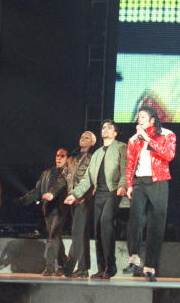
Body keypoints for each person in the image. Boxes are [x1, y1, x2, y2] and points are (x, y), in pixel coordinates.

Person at [64, 120, 127, 280]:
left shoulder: (121, 147)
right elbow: (88, 178)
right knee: (98, 230)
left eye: (109, 128)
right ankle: (101, 268)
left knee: (106, 223)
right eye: (103, 127)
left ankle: (110, 267)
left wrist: (123, 185)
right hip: (98, 194)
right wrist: (75, 194)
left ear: (115, 133)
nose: (105, 129)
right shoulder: (97, 153)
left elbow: (125, 169)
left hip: (113, 191)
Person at [123, 107, 176, 282]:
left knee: (156, 224)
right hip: (140, 182)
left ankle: (150, 267)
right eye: (138, 117)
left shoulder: (167, 134)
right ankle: (134, 257)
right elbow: (130, 164)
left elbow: (169, 155)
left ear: (152, 120)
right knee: (136, 218)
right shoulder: (133, 139)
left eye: (143, 117)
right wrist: (129, 185)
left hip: (159, 181)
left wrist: (148, 139)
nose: (140, 120)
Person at [48, 131, 97, 278]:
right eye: (81, 137)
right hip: (72, 200)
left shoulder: (93, 158)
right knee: (82, 234)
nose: (82, 139)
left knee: (77, 233)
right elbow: (62, 178)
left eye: (86, 137)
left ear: (93, 142)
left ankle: (68, 268)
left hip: (84, 200)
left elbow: (92, 180)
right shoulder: (71, 159)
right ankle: (83, 269)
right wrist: (52, 192)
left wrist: (83, 197)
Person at [17, 149, 69, 276]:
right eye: (57, 155)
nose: (59, 158)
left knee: (53, 236)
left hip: (61, 209)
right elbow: (37, 191)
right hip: (48, 209)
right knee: (55, 236)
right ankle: (64, 263)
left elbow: (64, 187)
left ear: (67, 158)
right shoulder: (46, 173)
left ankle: (49, 267)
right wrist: (22, 200)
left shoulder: (68, 172)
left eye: (62, 156)